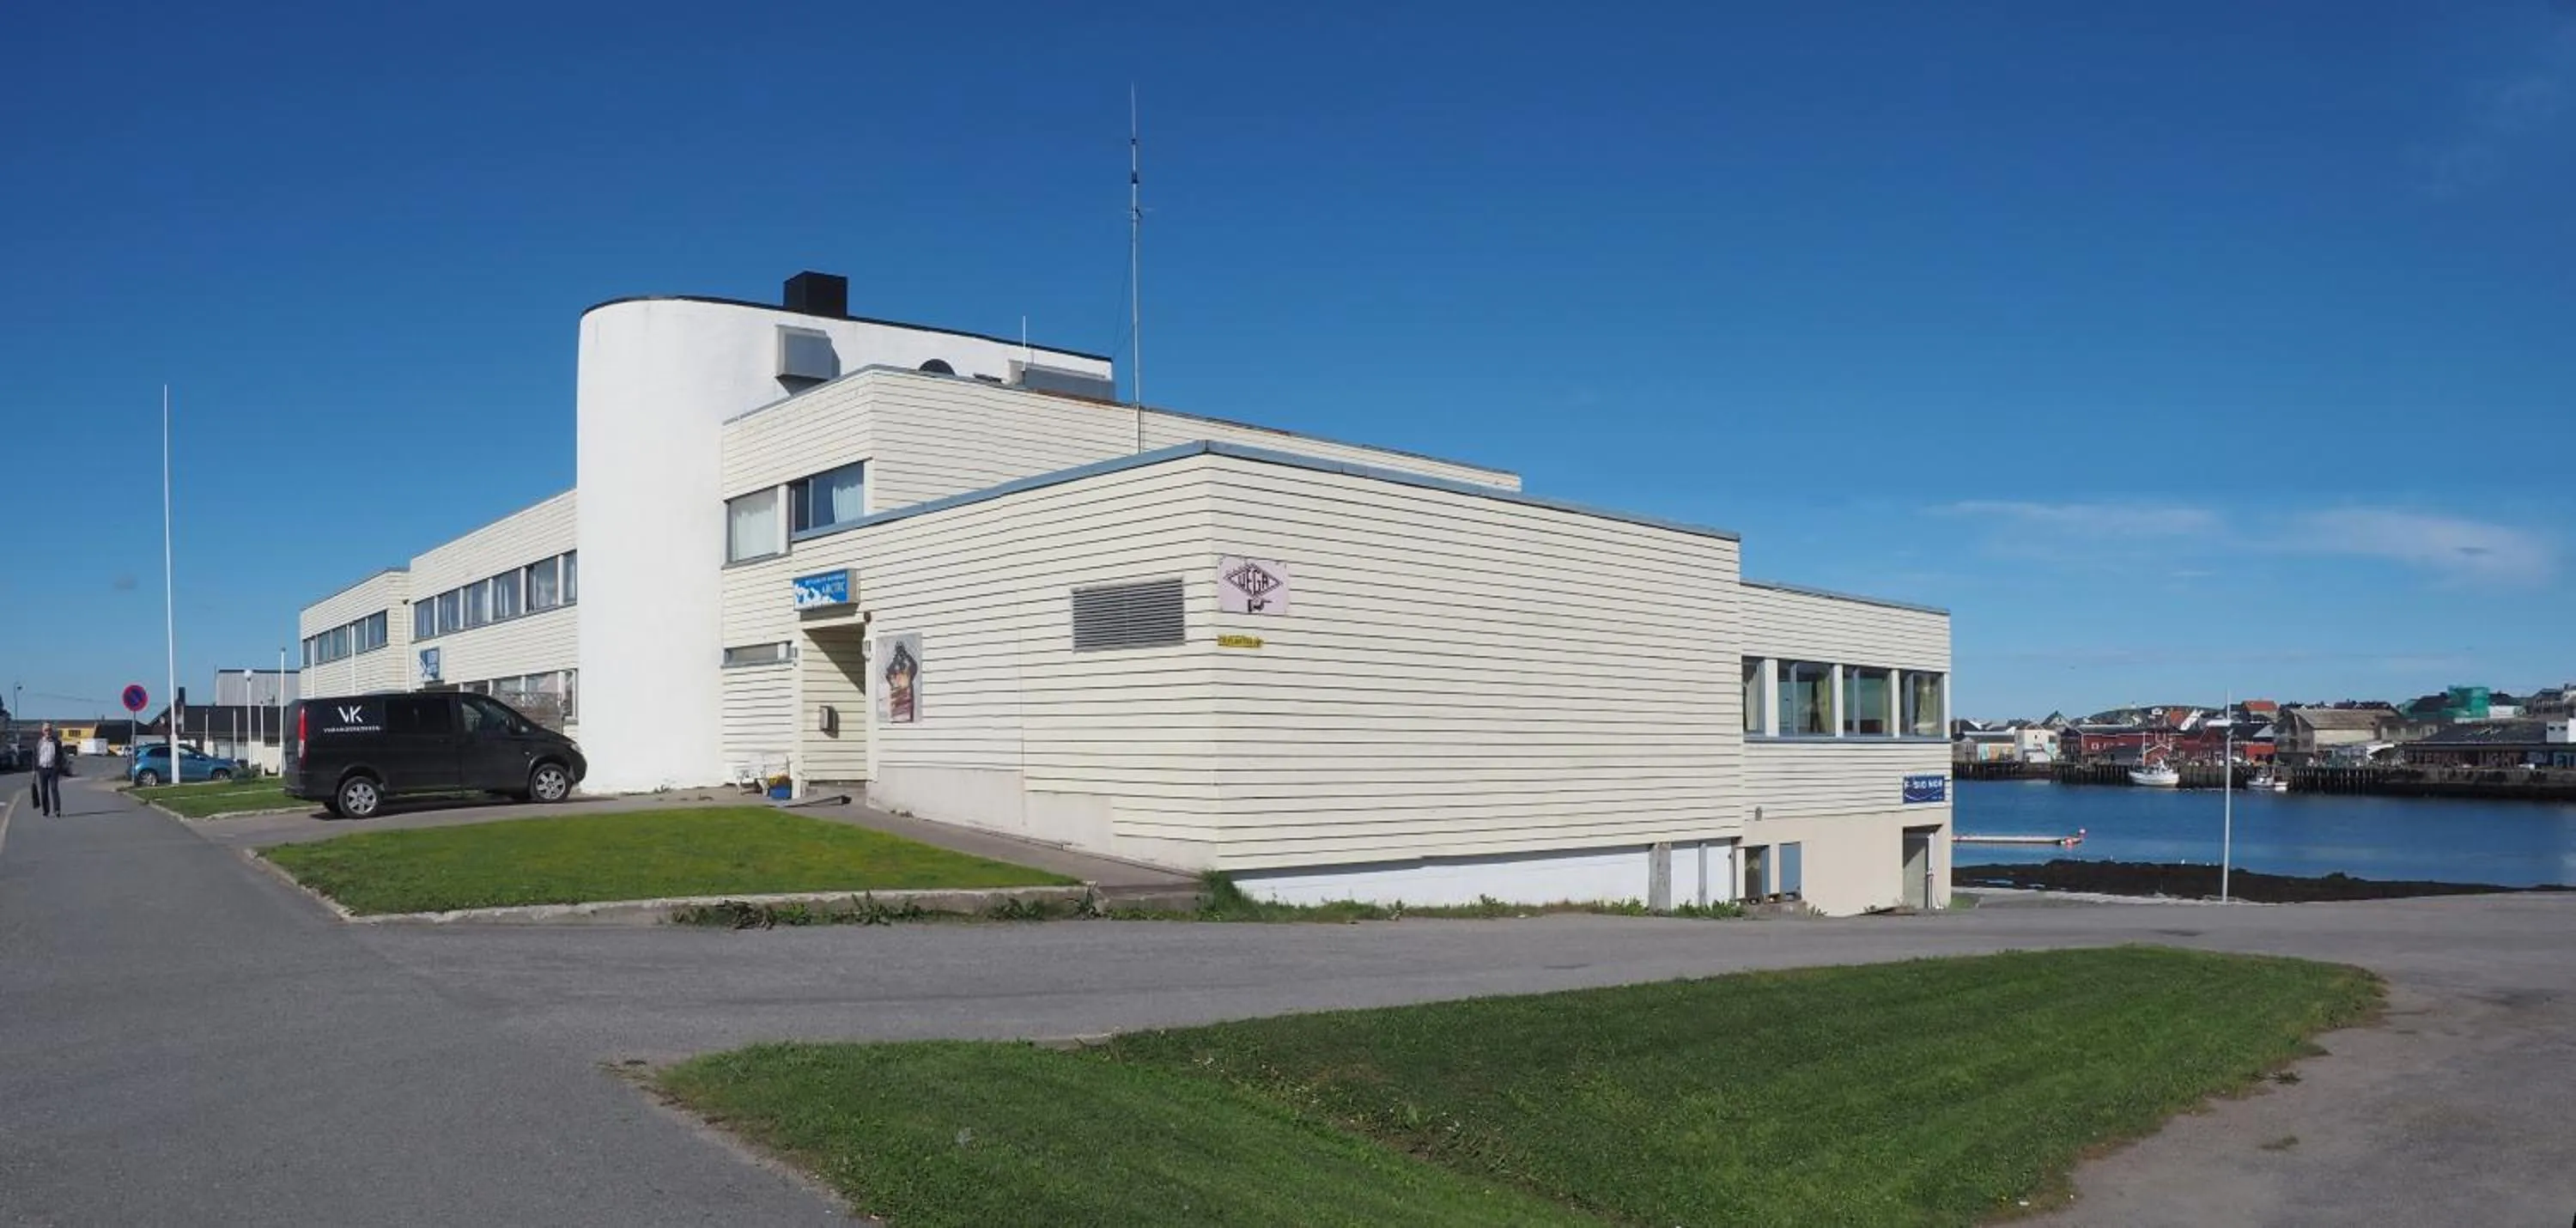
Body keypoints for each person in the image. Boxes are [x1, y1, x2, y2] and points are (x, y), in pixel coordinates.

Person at [32, 722, 64, 817]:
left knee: (54, 789)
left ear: (52, 731)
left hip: (53, 769)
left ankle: (57, 810)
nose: (48, 732)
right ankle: (46, 810)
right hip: (42, 769)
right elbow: (35, 756)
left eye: (49, 730)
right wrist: (34, 770)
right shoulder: (39, 743)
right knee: (43, 790)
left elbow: (60, 755)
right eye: (46, 730)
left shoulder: (56, 742)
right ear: (42, 731)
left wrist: (59, 767)